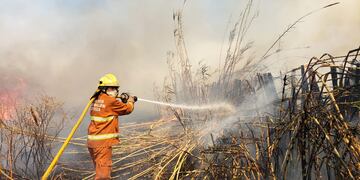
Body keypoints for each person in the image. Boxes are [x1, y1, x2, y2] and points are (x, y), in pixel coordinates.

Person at [87, 73, 135, 180]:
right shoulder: (110, 101)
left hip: (93, 143)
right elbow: (127, 109)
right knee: (103, 177)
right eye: (112, 88)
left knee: (100, 170)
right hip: (102, 144)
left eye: (116, 89)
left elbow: (110, 108)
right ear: (104, 89)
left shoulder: (96, 98)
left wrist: (120, 100)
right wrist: (131, 101)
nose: (115, 91)